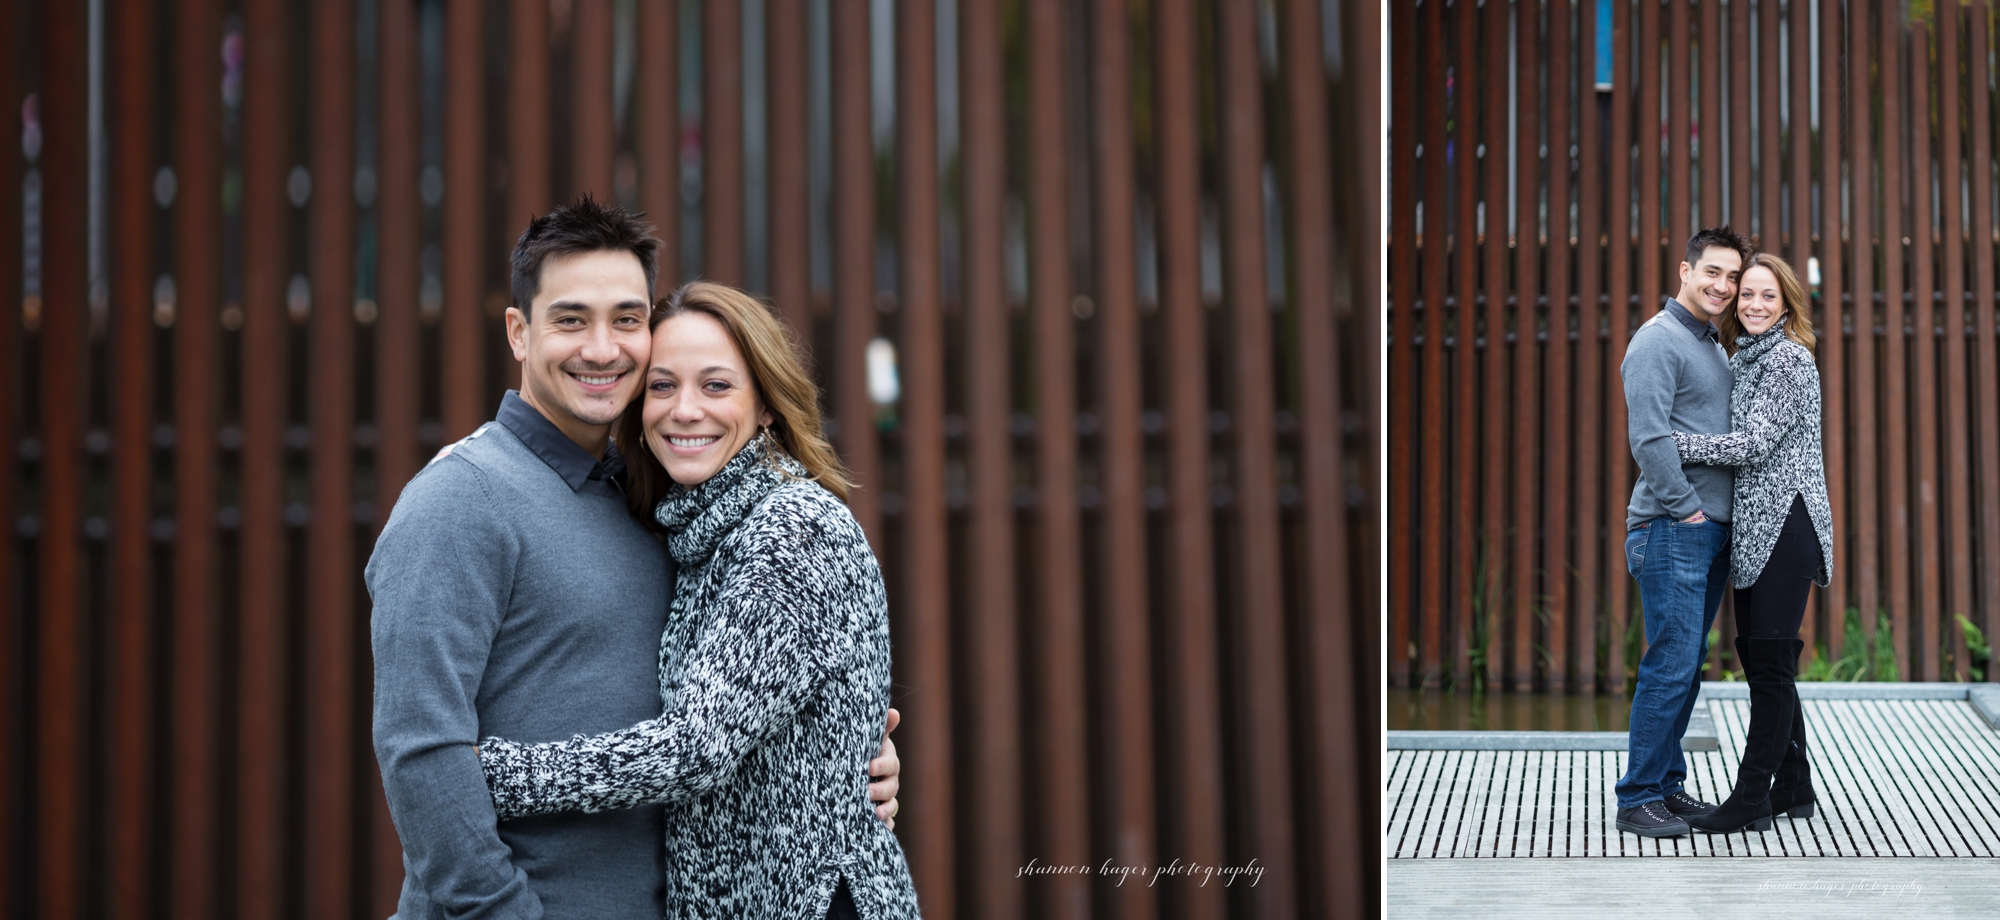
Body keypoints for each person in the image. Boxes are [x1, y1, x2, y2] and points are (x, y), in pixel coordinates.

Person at [368, 197, 902, 918]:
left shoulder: (654, 506)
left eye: (626, 319)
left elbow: (713, 728)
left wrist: (840, 768)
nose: (601, 348)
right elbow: (422, 756)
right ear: (519, 333)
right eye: (569, 320)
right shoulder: (459, 501)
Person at [474, 280, 921, 919]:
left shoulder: (788, 531)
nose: (685, 410)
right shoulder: (695, 528)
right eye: (661, 386)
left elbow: (695, 750)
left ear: (765, 405)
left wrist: (486, 775)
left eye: (716, 386)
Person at [1672, 252, 1831, 834]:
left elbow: (1754, 445)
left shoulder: (1789, 360)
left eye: (1769, 296)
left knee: (1767, 666)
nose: (1756, 304)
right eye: (1748, 295)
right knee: (1767, 661)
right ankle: (1794, 785)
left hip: (1787, 525)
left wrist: (1673, 445)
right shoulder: (1745, 358)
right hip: (1757, 528)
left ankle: (1751, 797)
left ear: (1787, 303)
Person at [1614, 226, 1752, 838]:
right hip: (1674, 527)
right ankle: (1638, 797)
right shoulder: (1657, 339)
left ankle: (1667, 789)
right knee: (1670, 664)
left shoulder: (1713, 345)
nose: (1722, 286)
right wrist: (1688, 510)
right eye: (1713, 272)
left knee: (1687, 664)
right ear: (1685, 270)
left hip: (1703, 530)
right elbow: (1648, 437)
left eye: (1732, 277)